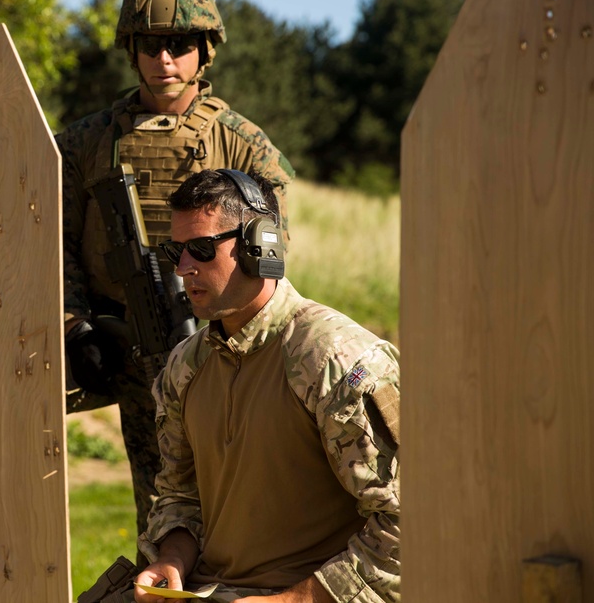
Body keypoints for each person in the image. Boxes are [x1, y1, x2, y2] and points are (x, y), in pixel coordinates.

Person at [57, 0, 296, 543]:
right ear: (131, 50)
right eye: (150, 44)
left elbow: (270, 255)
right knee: (161, 501)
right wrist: (74, 325)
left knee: (235, 496)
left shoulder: (242, 142)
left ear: (204, 50)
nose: (165, 59)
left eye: (180, 45)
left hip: (222, 344)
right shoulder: (84, 143)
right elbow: (49, 239)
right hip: (129, 344)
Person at [129, 169, 400, 602]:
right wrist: (172, 559)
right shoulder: (186, 365)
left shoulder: (333, 359)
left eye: (200, 249)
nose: (182, 269)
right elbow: (180, 496)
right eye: (175, 250)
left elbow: (407, 522)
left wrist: (289, 601)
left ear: (261, 246)